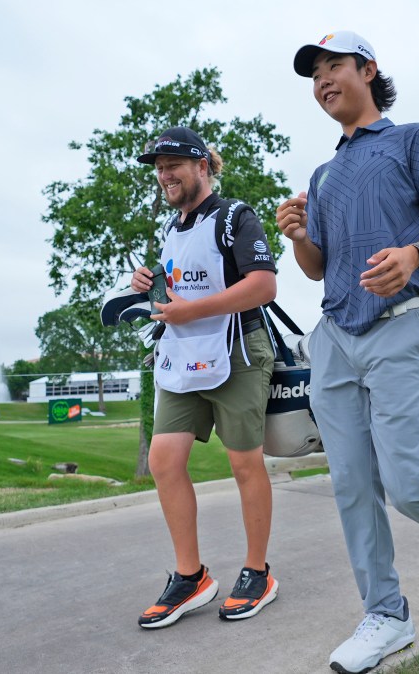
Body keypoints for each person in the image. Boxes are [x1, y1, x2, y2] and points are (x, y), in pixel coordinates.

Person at [276, 31, 419, 674]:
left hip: (402, 325)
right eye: (314, 75)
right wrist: (296, 236)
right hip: (335, 337)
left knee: (407, 482)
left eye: (334, 67)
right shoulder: (322, 175)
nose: (323, 81)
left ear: (368, 70)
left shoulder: (411, 140)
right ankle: (387, 615)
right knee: (350, 484)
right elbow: (318, 269)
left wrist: (414, 254)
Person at [130, 126, 280, 628]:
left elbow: (264, 286)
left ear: (201, 166)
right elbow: (179, 290)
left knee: (244, 464)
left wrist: (192, 311)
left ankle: (258, 572)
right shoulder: (171, 229)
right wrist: (150, 283)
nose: (164, 174)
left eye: (173, 163)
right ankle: (190, 577)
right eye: (158, 166)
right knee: (163, 460)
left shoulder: (236, 216)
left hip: (237, 350)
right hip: (183, 353)